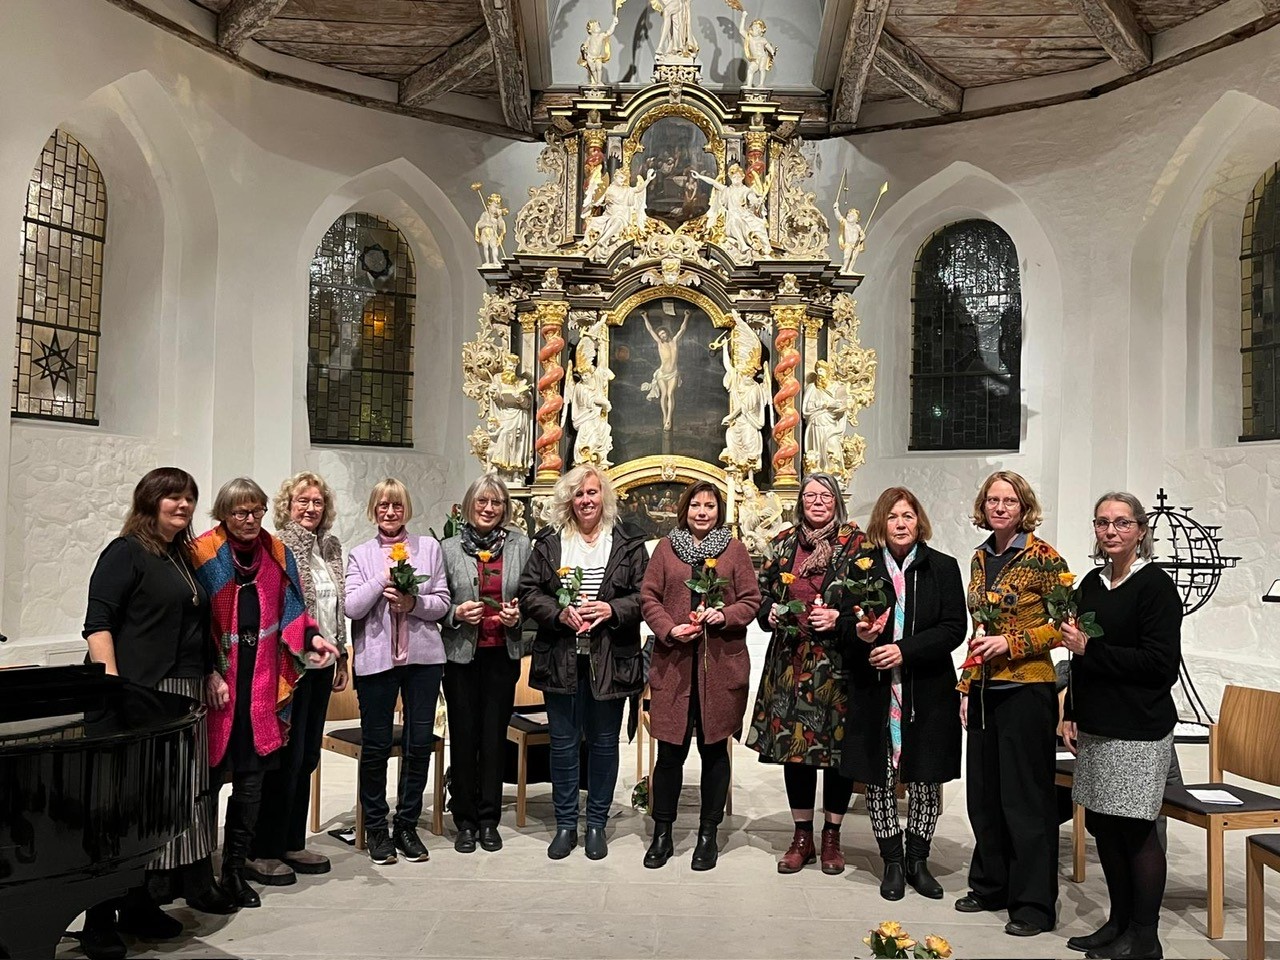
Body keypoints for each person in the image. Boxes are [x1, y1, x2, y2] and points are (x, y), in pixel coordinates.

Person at [80, 468, 235, 960]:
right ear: (150, 501)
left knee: (161, 804)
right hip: (137, 692)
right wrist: (114, 689)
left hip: (182, 694)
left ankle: (139, 904)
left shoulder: (181, 557)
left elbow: (195, 625)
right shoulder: (125, 552)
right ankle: (98, 920)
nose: (183, 504)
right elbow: (98, 624)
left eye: (189, 497)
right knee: (121, 806)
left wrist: (210, 671)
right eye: (173, 496)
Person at [191, 478, 339, 910]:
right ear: (223, 514)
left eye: (256, 511)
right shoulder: (202, 554)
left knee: (251, 784)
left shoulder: (276, 553)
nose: (250, 519)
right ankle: (198, 875)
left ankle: (235, 870)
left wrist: (312, 640)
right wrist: (206, 671)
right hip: (216, 688)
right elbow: (190, 624)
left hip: (258, 686)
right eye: (240, 512)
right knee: (207, 785)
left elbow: (295, 610)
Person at [1060, 493, 1182, 960]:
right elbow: (1077, 659)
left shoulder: (1155, 587)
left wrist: (1094, 651)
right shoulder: (1091, 583)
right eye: (1102, 523)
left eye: (1122, 523)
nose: (1111, 531)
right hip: (1096, 725)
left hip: (1139, 728)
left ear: (1140, 530)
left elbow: (1160, 664)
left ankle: (1145, 936)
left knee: (1135, 830)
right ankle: (1117, 922)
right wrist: (1071, 711)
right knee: (1105, 830)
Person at [955, 470, 1068, 937]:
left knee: (1026, 801)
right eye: (993, 500)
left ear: (1024, 508)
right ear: (983, 508)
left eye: (1010, 501)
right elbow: (978, 631)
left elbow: (1065, 625)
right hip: (984, 690)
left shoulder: (1046, 558)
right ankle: (989, 885)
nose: (1000, 508)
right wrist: (965, 687)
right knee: (984, 798)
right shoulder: (980, 557)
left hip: (1026, 690)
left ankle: (1033, 906)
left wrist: (1014, 642)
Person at [842, 487, 966, 901]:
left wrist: (904, 649)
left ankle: (918, 860)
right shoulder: (862, 567)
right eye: (893, 516)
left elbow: (953, 628)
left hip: (926, 689)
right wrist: (860, 634)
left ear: (919, 522)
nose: (901, 523)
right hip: (875, 689)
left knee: (926, 780)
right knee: (880, 780)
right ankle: (892, 861)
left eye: (908, 516)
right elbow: (845, 623)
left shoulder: (942, 568)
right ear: (882, 522)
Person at [518, 464, 647, 861]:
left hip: (611, 657)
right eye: (578, 494)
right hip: (561, 656)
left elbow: (645, 595)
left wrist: (611, 608)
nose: (586, 500)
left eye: (592, 493)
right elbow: (529, 591)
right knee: (563, 745)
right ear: (568, 501)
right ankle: (563, 825)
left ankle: (595, 824)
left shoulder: (627, 542)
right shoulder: (549, 543)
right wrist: (559, 613)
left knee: (605, 745)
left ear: (604, 498)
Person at [745, 472, 865, 876]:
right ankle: (801, 837)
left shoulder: (855, 542)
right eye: (809, 495)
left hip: (837, 664)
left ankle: (831, 836)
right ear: (800, 501)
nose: (817, 501)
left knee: (835, 754)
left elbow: (873, 598)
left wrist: (841, 615)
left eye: (825, 495)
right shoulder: (782, 543)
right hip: (790, 662)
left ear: (836, 501)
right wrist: (770, 612)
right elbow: (760, 594)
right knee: (794, 753)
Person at [639, 481, 761, 871]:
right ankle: (662, 833)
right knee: (670, 754)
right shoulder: (664, 549)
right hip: (674, 665)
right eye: (696, 505)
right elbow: (648, 598)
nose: (702, 512)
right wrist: (669, 628)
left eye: (709, 505)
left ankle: (708, 835)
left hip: (720, 666)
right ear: (684, 510)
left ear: (718, 511)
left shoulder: (735, 550)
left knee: (714, 751)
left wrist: (724, 615)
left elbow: (752, 600)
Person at [246, 472, 349, 885]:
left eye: (317, 502)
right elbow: (278, 608)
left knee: (307, 756)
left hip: (323, 665)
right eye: (302, 501)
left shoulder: (332, 546)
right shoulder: (277, 546)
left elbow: (335, 606)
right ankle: (262, 849)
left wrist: (342, 655)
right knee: (283, 757)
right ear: (288, 506)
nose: (310, 508)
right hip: (290, 666)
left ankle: (291, 841)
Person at [345, 478, 450, 866]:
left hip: (423, 661)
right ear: (373, 510)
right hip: (376, 663)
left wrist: (412, 602)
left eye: (397, 506)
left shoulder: (429, 548)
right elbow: (352, 607)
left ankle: (406, 824)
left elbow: (441, 603)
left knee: (418, 743)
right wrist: (382, 576)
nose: (390, 512)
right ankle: (376, 828)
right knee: (375, 747)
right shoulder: (360, 555)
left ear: (407, 509)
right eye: (383, 506)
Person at [440, 474, 531, 854]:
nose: (489, 508)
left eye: (496, 503)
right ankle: (464, 820)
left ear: (505, 509)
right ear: (468, 506)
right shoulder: (447, 548)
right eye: (482, 502)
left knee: (494, 739)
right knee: (463, 737)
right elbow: (435, 600)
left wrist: (518, 615)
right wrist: (456, 613)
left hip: (501, 654)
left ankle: (489, 819)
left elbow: (532, 594)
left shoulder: (521, 544)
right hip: (461, 655)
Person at [642, 313, 689, 432]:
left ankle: (669, 418)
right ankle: (664, 415)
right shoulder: (659, 343)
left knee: (670, 394)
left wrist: (686, 317)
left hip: (673, 373)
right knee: (663, 395)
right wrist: (645, 317)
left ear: (667, 333)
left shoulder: (674, 341)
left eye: (663, 333)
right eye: (660, 335)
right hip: (662, 373)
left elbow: (682, 329)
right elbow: (650, 329)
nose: (662, 336)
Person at [578, 15, 619, 86]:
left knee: (599, 68)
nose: (598, 27)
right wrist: (583, 48)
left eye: (598, 25)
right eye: (596, 26)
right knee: (593, 69)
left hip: (598, 57)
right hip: (590, 57)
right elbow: (585, 45)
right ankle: (596, 81)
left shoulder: (601, 35)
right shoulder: (589, 38)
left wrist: (614, 23)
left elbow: (609, 32)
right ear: (590, 30)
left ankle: (599, 81)